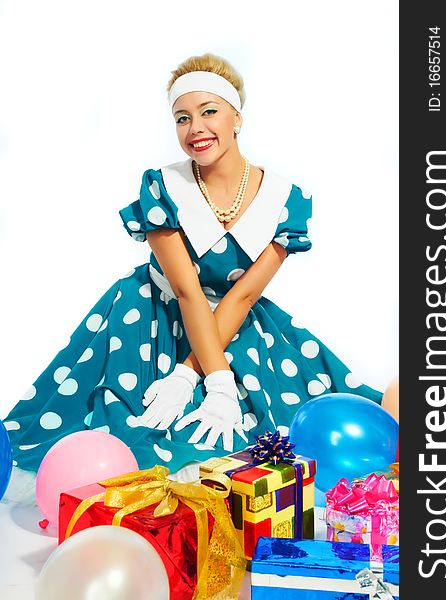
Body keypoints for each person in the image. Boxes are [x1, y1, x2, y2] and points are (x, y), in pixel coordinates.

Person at [2, 53, 386, 503]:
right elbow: (185, 288)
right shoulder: (162, 187)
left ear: (237, 116)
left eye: (208, 111)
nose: (195, 128)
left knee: (267, 419)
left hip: (230, 317)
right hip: (149, 311)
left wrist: (202, 377)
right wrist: (209, 378)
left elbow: (243, 296)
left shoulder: (286, 201)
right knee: (137, 419)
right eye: (182, 118)